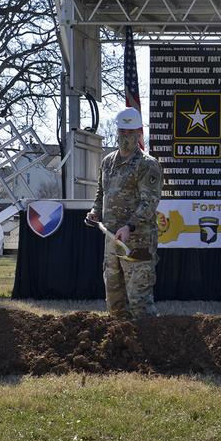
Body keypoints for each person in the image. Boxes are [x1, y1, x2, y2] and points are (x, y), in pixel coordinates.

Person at [86, 107, 162, 318]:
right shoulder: (107, 162)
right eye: (122, 132)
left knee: (139, 302)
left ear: (139, 132)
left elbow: (149, 203)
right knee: (115, 302)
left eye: (130, 133)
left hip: (137, 242)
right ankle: (121, 347)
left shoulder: (148, 165)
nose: (125, 137)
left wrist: (129, 226)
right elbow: (101, 193)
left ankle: (149, 346)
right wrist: (95, 211)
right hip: (112, 240)